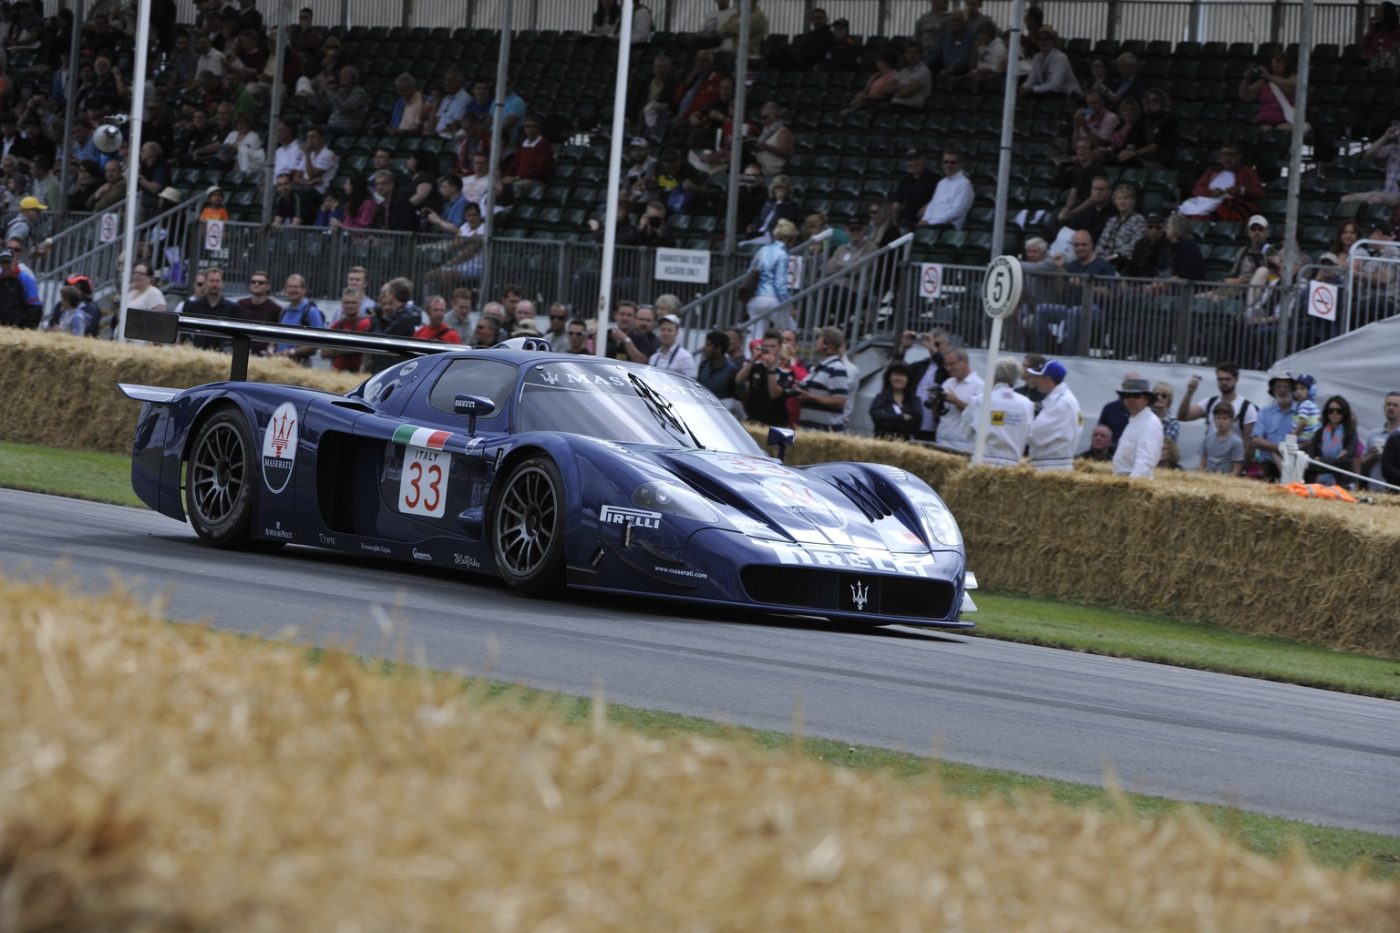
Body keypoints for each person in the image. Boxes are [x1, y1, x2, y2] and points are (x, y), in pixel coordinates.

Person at [1033, 230, 1117, 355]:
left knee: (1074, 312)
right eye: (1076, 245)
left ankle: (1069, 355)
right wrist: (1059, 268)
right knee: (1041, 309)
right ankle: (1040, 353)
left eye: (1083, 245)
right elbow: (1060, 290)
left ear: (1091, 245)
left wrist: (1084, 285)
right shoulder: (1072, 265)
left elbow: (1110, 293)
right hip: (1069, 307)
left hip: (1096, 309)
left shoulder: (1103, 265)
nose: (1080, 248)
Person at [962, 357, 1035, 466]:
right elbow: (1029, 434)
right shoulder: (1027, 404)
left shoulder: (980, 399)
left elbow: (966, 429)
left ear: (993, 375)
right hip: (1012, 465)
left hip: (982, 462)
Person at [917, 344, 982, 450]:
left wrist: (955, 401)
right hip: (941, 439)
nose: (948, 368)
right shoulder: (948, 382)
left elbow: (977, 415)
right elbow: (939, 415)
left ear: (964, 362)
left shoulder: (979, 385)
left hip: (962, 444)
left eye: (952, 364)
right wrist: (935, 401)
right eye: (946, 365)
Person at [1178, 362, 1257, 449]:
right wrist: (1190, 392)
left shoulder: (1247, 408)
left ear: (1236, 380)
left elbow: (1248, 445)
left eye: (1227, 379)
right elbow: (1183, 416)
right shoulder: (1210, 402)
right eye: (1220, 379)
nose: (1223, 383)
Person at [1179, 143, 1264, 221]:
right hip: (1206, 200)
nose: (1227, 158)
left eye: (1230, 154)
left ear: (1239, 156)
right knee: (1183, 210)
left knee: (1200, 216)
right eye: (1224, 154)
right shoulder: (1213, 171)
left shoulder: (1248, 172)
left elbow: (1259, 192)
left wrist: (1241, 190)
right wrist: (1210, 192)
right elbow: (1196, 190)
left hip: (1229, 205)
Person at [744, 218, 797, 339]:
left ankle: (755, 351)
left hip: (755, 299)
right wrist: (789, 305)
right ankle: (789, 351)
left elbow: (750, 271)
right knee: (791, 330)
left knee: (756, 337)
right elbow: (779, 284)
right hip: (772, 300)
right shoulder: (783, 254)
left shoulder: (763, 249)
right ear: (790, 239)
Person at [1025, 360, 1081, 470]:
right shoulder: (1066, 399)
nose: (1035, 381)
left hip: (1049, 466)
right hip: (1055, 463)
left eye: (1038, 377)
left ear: (1048, 380)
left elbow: (1034, 436)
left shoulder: (1059, 404)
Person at [795, 326, 853, 432]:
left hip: (824, 433)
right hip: (810, 431)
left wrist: (811, 397)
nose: (816, 341)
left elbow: (840, 401)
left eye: (819, 338)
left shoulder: (837, 368)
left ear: (826, 343)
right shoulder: (819, 367)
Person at [736, 330, 795, 427]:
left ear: (780, 347)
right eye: (766, 346)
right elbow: (739, 380)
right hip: (753, 419)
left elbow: (774, 394)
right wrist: (753, 359)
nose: (769, 349)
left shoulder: (786, 371)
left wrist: (771, 368)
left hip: (776, 422)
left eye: (773, 346)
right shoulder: (755, 365)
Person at [1248, 372, 1299, 479]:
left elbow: (1310, 440)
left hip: (1295, 467)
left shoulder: (1302, 413)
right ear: (1273, 391)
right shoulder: (1264, 413)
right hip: (1267, 468)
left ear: (1292, 390)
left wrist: (1269, 446)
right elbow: (1255, 440)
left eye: (1286, 387)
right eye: (1278, 387)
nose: (1282, 390)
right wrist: (1279, 448)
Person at [1303, 395, 1363, 487]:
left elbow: (1346, 462)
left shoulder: (1350, 433)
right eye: (1331, 411)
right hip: (1318, 483)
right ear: (1327, 413)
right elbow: (1310, 461)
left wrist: (1321, 460)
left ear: (1344, 413)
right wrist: (1336, 461)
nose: (1335, 413)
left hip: (1343, 483)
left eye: (1339, 411)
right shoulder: (1319, 433)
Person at [1111, 377, 1163, 478]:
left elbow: (1145, 463)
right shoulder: (1134, 420)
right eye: (1126, 396)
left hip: (1133, 481)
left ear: (1147, 399)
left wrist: (1130, 484)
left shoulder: (1150, 423)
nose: (1130, 399)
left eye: (1136, 396)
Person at [1341, 123, 1400, 207]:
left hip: (1397, 196)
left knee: (1375, 199)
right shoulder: (1392, 148)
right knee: (1346, 199)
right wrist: (1385, 137)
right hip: (1386, 193)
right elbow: (1369, 154)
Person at [1238, 53, 1298, 132]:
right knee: (1265, 130)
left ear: (1286, 63)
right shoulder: (1264, 82)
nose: (1275, 63)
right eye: (1272, 61)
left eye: (1278, 60)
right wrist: (1245, 79)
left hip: (1286, 120)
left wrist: (1269, 76)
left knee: (1281, 130)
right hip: (1265, 121)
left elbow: (1290, 87)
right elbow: (1245, 96)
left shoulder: (1292, 77)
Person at [273, 274, 325, 363]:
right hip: (279, 362)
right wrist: (271, 348)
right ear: (285, 289)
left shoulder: (311, 311)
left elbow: (318, 341)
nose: (293, 290)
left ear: (304, 289)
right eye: (290, 287)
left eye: (296, 287)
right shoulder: (284, 311)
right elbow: (276, 336)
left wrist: (292, 352)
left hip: (300, 364)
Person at [917, 149, 974, 230]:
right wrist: (924, 219)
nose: (948, 165)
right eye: (945, 162)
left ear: (959, 164)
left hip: (949, 226)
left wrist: (932, 222)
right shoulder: (941, 183)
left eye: (952, 162)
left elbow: (956, 212)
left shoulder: (964, 184)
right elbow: (933, 204)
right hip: (933, 225)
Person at [1019, 26, 1081, 98]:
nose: (1043, 42)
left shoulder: (1060, 57)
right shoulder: (1037, 57)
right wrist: (1023, 88)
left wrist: (1032, 89)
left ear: (1054, 42)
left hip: (1070, 96)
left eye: (1047, 39)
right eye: (1040, 39)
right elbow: (1032, 79)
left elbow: (1055, 85)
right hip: (1052, 96)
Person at [323, 288, 373, 373]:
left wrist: (334, 349)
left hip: (356, 374)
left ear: (360, 304)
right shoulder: (337, 324)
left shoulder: (365, 323)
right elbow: (323, 352)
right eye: (347, 302)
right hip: (336, 374)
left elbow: (356, 346)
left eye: (353, 303)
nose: (350, 305)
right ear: (342, 304)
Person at [869, 361, 921, 440]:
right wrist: (902, 418)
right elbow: (877, 418)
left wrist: (889, 418)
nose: (899, 378)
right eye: (896, 374)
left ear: (908, 379)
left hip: (904, 444)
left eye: (903, 375)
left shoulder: (914, 401)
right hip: (881, 442)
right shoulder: (881, 398)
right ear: (889, 378)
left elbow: (915, 425)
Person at [1360, 391, 1400, 490]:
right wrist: (1371, 457)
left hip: (1395, 490)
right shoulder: (1373, 434)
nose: (1391, 407)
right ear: (1384, 407)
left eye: (1395, 405)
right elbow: (1361, 466)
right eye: (1388, 404)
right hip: (1374, 488)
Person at [891, 149, 937, 231]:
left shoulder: (934, 179)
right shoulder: (905, 180)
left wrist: (929, 207)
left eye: (916, 159)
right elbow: (897, 201)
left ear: (924, 160)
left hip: (923, 222)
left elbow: (939, 200)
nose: (913, 163)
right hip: (904, 220)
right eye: (910, 160)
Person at [1200, 401, 1246, 475]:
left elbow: (1237, 469)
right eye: (1218, 418)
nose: (1221, 422)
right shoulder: (1208, 438)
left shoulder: (1236, 442)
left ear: (1231, 420)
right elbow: (1203, 460)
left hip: (1226, 478)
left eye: (1225, 418)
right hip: (1208, 477)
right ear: (1214, 419)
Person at [695, 329, 738, 404]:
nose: (705, 348)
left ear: (718, 349)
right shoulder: (703, 365)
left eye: (708, 345)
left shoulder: (731, 371)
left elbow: (732, 400)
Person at [649, 313, 697, 378]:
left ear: (677, 332)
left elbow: (691, 382)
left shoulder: (685, 357)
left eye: (670, 330)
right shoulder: (654, 357)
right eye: (663, 330)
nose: (666, 333)